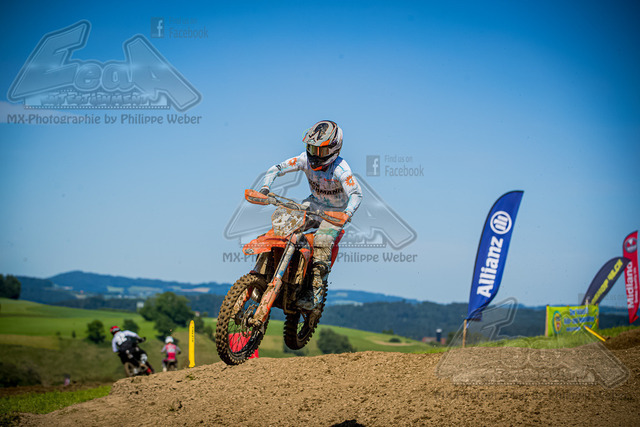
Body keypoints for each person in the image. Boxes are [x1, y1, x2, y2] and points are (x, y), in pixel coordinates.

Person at [259, 120, 363, 311]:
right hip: (313, 203)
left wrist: (347, 213)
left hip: (336, 212)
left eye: (321, 151)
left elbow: (356, 194)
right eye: (312, 148)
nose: (315, 155)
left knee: (323, 241)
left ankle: (314, 293)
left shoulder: (341, 169)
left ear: (334, 149)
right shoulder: (303, 159)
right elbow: (277, 168)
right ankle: (262, 275)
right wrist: (265, 188)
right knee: (283, 224)